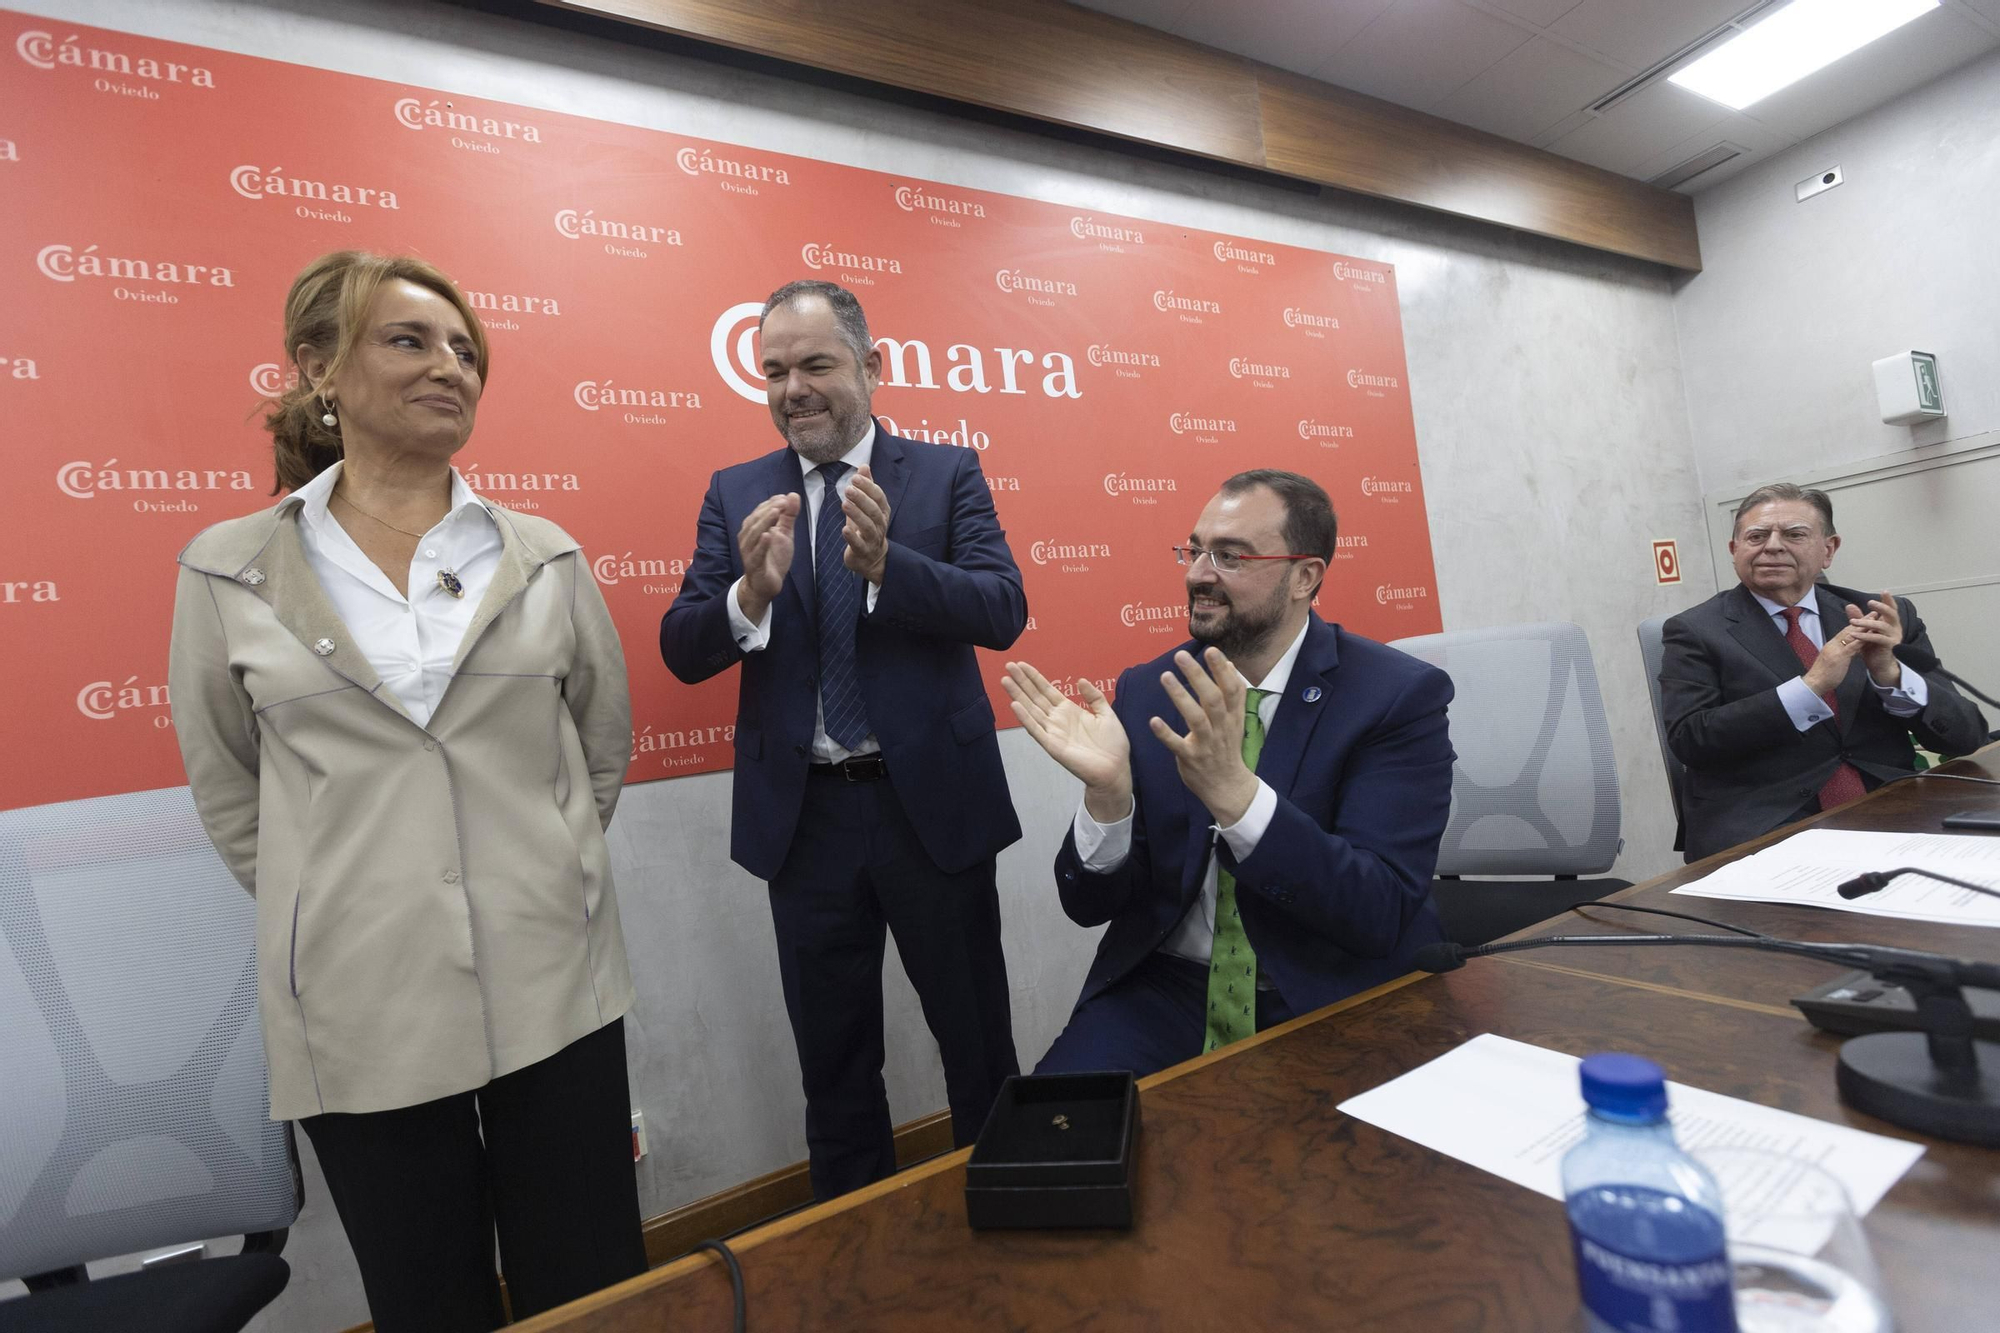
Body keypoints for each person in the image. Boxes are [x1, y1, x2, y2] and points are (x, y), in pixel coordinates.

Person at [169, 252, 644, 1332]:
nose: (450, 367)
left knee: (595, 1286)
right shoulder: (228, 568)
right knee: (426, 1297)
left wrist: (536, 859)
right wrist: (338, 890)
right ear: (318, 369)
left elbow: (597, 750)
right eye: (409, 340)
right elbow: (232, 791)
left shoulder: (541, 556)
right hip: (355, 997)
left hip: (553, 979)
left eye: (465, 350)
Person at [659, 280, 1025, 1199]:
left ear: (871, 366)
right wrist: (748, 596)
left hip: (929, 812)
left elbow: (1003, 609)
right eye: (775, 371)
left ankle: (1016, 1206)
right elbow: (681, 645)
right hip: (806, 822)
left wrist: (887, 567)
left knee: (977, 1041)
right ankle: (854, 1237)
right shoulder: (737, 491)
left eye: (815, 365)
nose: (793, 389)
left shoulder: (945, 474)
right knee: (834, 1060)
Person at [1004, 470, 1454, 1077]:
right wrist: (1107, 799)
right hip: (1168, 992)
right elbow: (1088, 906)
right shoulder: (1151, 689)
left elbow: (1378, 911)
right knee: (1045, 1150)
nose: (1197, 574)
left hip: (1329, 989)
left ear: (1305, 577)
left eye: (1230, 557)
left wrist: (1240, 802)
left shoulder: (1396, 697)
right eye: (1194, 550)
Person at [1659, 482, 1986, 862]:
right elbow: (1690, 739)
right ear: (1735, 551)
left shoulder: (1878, 615)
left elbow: (1965, 737)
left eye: (1794, 534)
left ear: (1829, 550)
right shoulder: (1695, 630)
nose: (1773, 546)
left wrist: (1891, 674)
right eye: (1757, 536)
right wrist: (1811, 686)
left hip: (1888, 805)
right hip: (1762, 819)